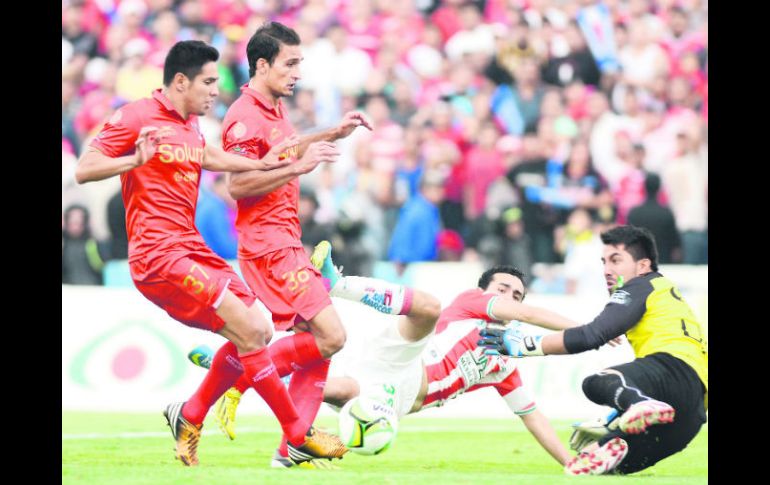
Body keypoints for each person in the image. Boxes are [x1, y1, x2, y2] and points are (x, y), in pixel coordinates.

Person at [75, 40, 346, 468]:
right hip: (158, 256)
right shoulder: (136, 116)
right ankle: (297, 433)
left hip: (191, 247)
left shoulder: (189, 124)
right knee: (248, 329)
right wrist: (132, 160)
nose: (215, 91)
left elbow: (210, 158)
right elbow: (84, 167)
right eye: (207, 82)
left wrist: (266, 163)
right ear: (180, 81)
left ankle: (191, 413)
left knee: (256, 331)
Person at [192, 246, 587, 468]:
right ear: (485, 291)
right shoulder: (473, 303)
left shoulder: (503, 364)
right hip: (405, 358)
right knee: (429, 310)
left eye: (517, 294)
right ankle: (338, 282)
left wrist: (570, 462)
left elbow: (532, 416)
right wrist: (583, 332)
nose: (510, 298)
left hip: (396, 400)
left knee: (335, 393)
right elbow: (527, 315)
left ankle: (235, 369)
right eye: (503, 289)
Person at [216, 21, 374, 467]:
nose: (298, 72)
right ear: (262, 64)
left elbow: (284, 147)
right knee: (332, 335)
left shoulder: (271, 109)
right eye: (291, 63)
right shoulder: (245, 115)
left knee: (316, 348)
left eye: (300, 63)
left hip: (285, 239)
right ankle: (241, 378)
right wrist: (300, 168)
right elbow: (239, 184)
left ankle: (292, 448)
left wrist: (330, 133)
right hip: (268, 245)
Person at [478, 225, 708, 475]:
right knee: (598, 465)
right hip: (693, 413)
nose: (607, 270)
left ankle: (639, 404)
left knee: (596, 382)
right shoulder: (667, 295)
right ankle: (628, 417)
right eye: (604, 262)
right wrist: (614, 417)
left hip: (671, 371)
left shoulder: (641, 286)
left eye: (616, 260)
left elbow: (591, 335)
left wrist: (521, 345)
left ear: (643, 266)